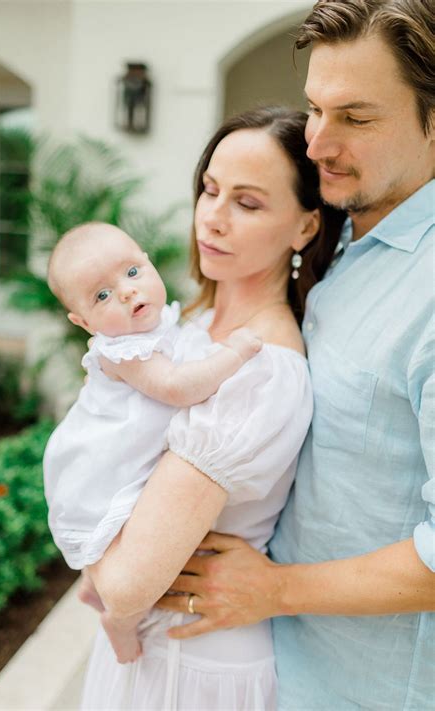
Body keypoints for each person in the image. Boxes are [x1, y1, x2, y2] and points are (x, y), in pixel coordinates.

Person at [158, 1, 435, 709]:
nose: (315, 142)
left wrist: (277, 587)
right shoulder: (341, 236)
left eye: (356, 118)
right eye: (314, 107)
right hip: (271, 673)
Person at [78, 106, 343, 710]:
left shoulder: (260, 370)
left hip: (188, 666)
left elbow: (124, 584)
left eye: (247, 204)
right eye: (210, 190)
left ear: (305, 227)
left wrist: (95, 557)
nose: (213, 218)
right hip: (144, 651)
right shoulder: (191, 325)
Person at [43, 222, 262, 662]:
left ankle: (89, 587)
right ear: (83, 322)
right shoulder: (122, 351)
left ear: (147, 260)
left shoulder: (162, 323)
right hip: (108, 463)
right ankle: (118, 622)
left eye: (131, 272)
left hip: (133, 452)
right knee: (125, 538)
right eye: (101, 296)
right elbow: (179, 387)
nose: (124, 292)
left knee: (114, 535)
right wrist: (234, 353)